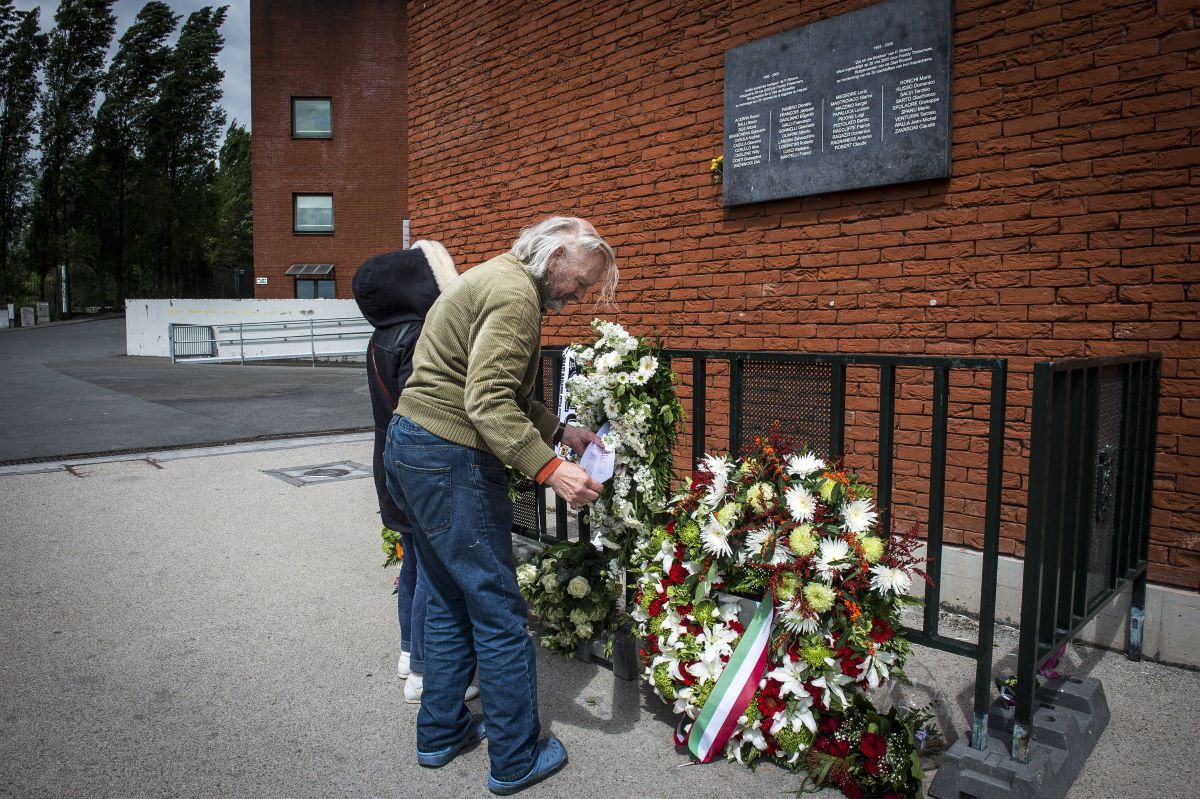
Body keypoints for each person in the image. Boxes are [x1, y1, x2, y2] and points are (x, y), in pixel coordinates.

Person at [384, 216, 617, 795]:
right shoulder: (516, 296)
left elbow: (506, 392)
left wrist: (563, 431)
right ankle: (515, 758)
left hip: (412, 445)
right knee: (498, 611)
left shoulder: (496, 279)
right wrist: (551, 468)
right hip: (449, 457)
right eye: (580, 282)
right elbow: (487, 402)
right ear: (557, 253)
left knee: (445, 598)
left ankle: (440, 733)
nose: (579, 295)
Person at [350, 240, 477, 704]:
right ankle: (426, 668)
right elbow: (427, 409)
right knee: (433, 568)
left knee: (415, 560)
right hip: (420, 464)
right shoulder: (422, 334)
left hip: (390, 459)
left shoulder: (382, 334)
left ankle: (410, 650)